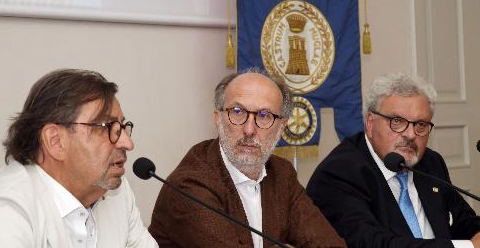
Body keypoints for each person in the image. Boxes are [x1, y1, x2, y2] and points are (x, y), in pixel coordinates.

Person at [148, 68, 346, 248]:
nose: (249, 130)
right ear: (218, 119)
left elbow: (330, 244)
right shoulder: (190, 184)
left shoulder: (282, 174)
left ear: (281, 128)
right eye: (237, 112)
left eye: (264, 115)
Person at [0, 69, 158, 248]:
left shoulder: (116, 192)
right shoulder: (6, 214)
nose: (128, 143)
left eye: (122, 127)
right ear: (55, 141)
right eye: (107, 127)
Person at [306, 73, 480, 248]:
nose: (411, 134)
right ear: (370, 123)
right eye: (397, 121)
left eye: (420, 124)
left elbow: (464, 221)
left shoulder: (430, 162)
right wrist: (468, 247)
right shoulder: (338, 174)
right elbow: (371, 243)